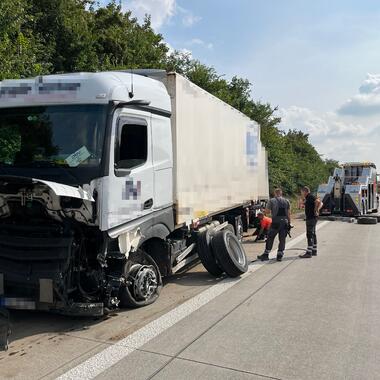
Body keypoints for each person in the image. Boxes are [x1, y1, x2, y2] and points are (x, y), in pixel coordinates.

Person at [257, 188, 291, 262]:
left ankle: (266, 254)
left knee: (270, 238)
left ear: (275, 193)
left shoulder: (272, 201)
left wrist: (263, 210)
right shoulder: (286, 201)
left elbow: (268, 212)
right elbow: (288, 213)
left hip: (275, 223)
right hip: (284, 223)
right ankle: (280, 255)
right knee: (282, 239)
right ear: (281, 193)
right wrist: (289, 223)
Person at [299, 186, 323, 259]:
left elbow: (319, 202)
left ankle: (309, 252)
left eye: (302, 192)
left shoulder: (310, 196)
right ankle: (314, 250)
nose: (302, 194)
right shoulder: (309, 198)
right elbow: (319, 203)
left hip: (311, 218)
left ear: (305, 191)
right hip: (313, 218)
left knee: (309, 234)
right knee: (313, 234)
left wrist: (316, 209)